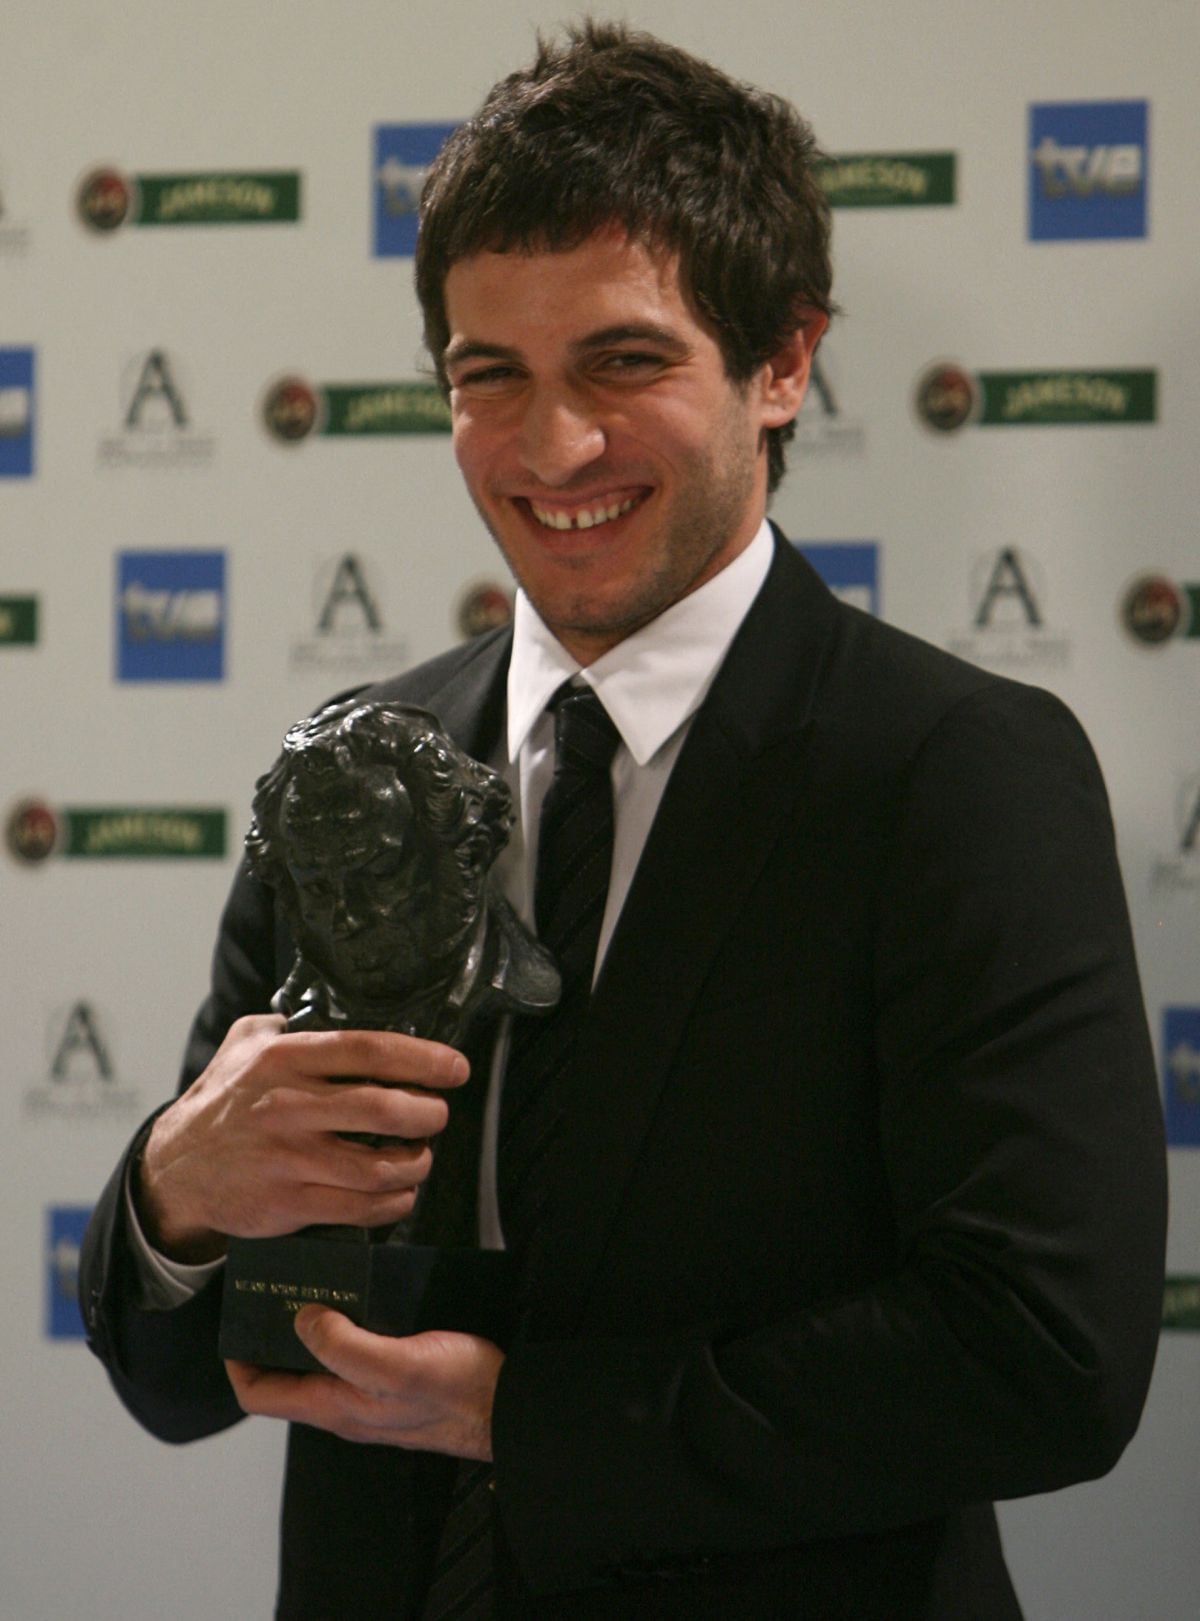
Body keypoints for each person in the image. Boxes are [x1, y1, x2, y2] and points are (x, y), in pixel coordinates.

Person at [80, 21, 1167, 1620]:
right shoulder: (352, 767)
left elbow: (1048, 1353)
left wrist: (520, 1419)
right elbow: (181, 1368)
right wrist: (177, 1188)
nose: (551, 447)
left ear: (782, 361)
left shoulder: (953, 771)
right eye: (489, 376)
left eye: (625, 362)